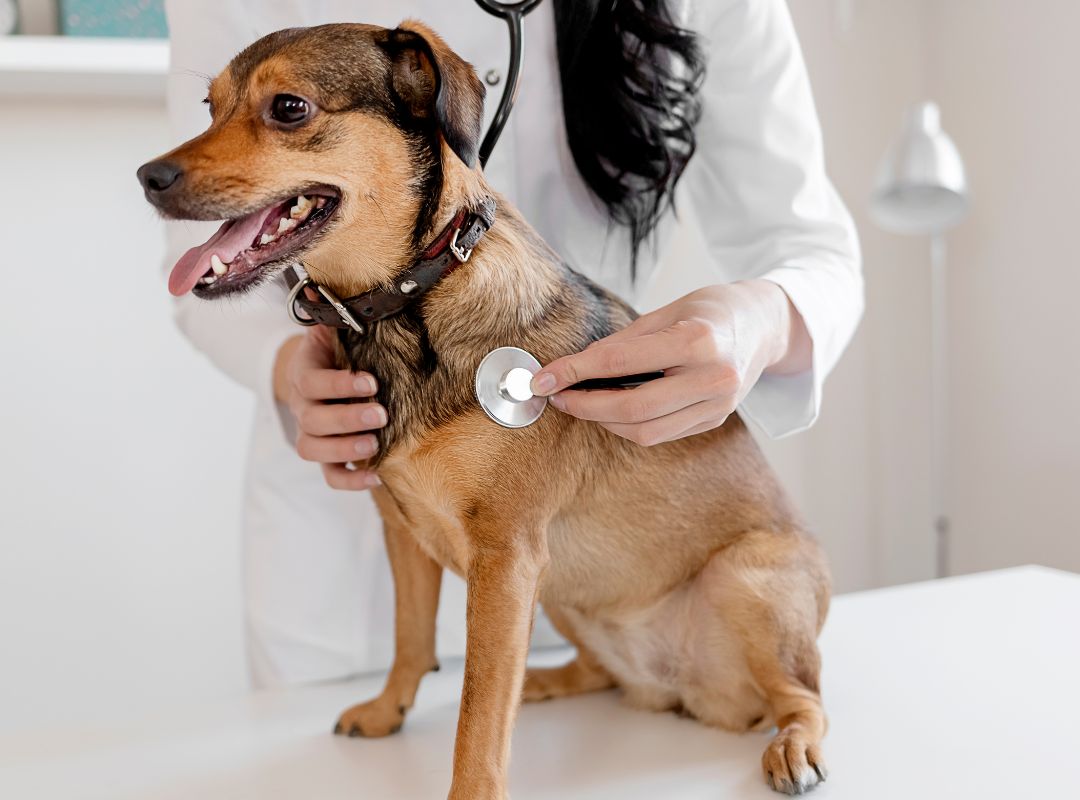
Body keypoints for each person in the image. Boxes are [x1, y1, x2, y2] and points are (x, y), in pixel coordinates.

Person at [162, 0, 863, 689]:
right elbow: (196, 256)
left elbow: (811, 247)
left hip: (605, 553)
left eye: (288, 109)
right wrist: (285, 366)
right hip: (335, 588)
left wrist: (758, 322)